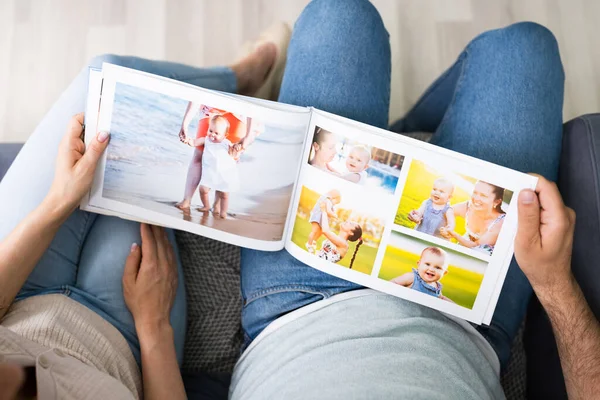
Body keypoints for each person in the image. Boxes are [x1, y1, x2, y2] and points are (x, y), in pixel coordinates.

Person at [3, 1, 600, 400]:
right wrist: (553, 284)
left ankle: (394, 125)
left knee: (340, 15)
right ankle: (413, 134)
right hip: (467, 316)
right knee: (526, 47)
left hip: (297, 297)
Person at [0, 27, 282, 398]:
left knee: (104, 76)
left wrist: (58, 202)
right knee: (142, 174)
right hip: (123, 331)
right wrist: (154, 329)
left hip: (20, 288)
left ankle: (238, 80)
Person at [174, 103, 262, 212]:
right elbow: (196, 96)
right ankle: (187, 200)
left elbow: (251, 103)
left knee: (229, 159)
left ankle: (217, 204)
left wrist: (248, 135)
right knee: (198, 154)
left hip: (241, 113)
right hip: (211, 106)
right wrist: (185, 124)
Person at [183, 115, 240, 218]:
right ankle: (206, 206)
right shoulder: (206, 140)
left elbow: (234, 154)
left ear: (225, 135)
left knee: (224, 194)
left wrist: (236, 148)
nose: (212, 134)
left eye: (217, 133)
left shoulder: (226, 143)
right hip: (209, 172)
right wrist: (188, 140)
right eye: (210, 130)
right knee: (203, 190)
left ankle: (223, 212)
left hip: (223, 174)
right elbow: (195, 142)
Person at [439, 180, 505, 255]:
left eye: (483, 196)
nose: (476, 198)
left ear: (496, 202)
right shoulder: (468, 207)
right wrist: (450, 225)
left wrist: (454, 235)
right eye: (475, 193)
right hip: (466, 242)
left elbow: (475, 245)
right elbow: (447, 210)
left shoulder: (500, 223)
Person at [314, 202, 363, 268]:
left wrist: (324, 211)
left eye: (351, 224)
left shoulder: (344, 245)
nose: (347, 221)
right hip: (316, 264)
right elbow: (323, 227)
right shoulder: (334, 237)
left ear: (351, 233)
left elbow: (325, 230)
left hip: (320, 269)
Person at [306, 189, 341, 254]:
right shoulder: (328, 201)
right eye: (335, 202)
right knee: (314, 231)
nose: (335, 204)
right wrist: (335, 216)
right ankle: (309, 245)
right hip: (317, 217)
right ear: (333, 198)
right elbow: (328, 211)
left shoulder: (328, 201)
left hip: (320, 218)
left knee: (321, 231)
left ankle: (314, 241)